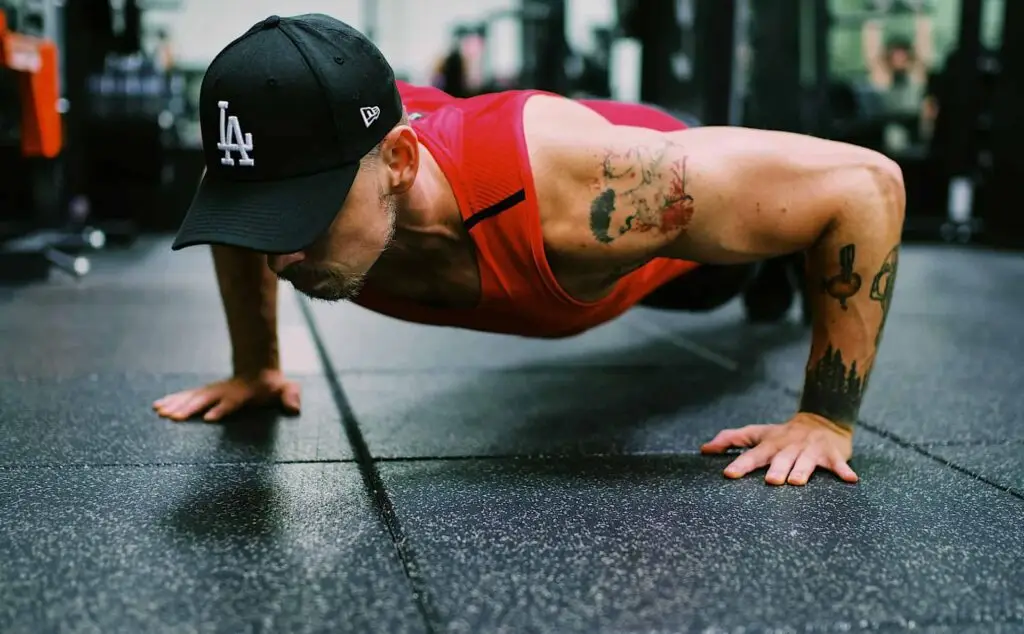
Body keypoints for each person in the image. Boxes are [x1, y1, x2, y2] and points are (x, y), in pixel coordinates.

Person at [154, 14, 905, 487]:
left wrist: (825, 421)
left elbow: (866, 186)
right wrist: (257, 364)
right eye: (262, 219)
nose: (280, 256)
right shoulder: (303, 174)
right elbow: (239, 209)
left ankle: (775, 268)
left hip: (664, 233)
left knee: (740, 269)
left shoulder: (584, 197)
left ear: (401, 162)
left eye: (302, 217)